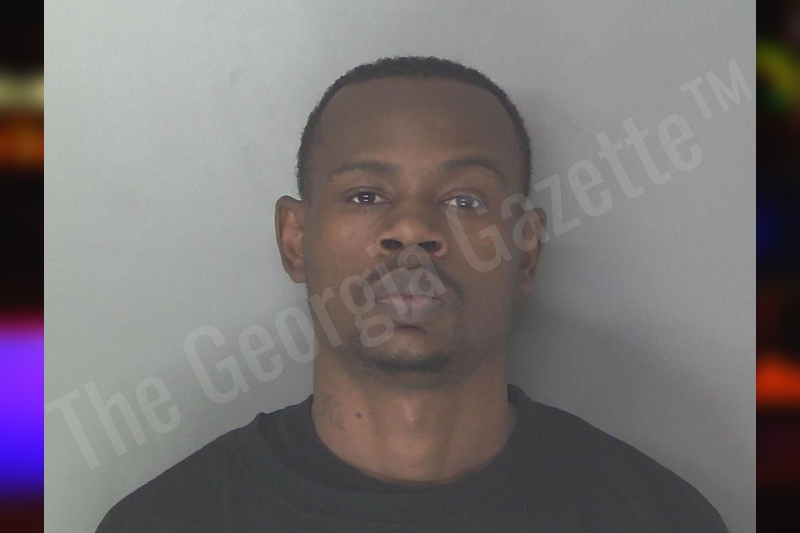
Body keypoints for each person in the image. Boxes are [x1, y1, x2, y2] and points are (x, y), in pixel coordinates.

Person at [96, 56, 728, 532]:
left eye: (465, 200)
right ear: (294, 240)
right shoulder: (165, 521)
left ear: (527, 250)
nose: (412, 228)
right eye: (365, 195)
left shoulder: (659, 518)